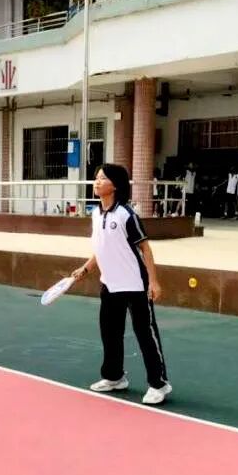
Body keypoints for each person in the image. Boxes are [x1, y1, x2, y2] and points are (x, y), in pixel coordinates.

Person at [71, 163, 172, 405]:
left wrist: (154, 282)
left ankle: (158, 384)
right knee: (110, 333)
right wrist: (86, 268)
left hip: (136, 285)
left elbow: (145, 248)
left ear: (115, 185)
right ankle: (114, 377)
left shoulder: (126, 215)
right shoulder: (96, 214)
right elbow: (102, 248)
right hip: (110, 285)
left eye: (102, 178)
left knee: (145, 335)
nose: (97, 182)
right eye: (96, 178)